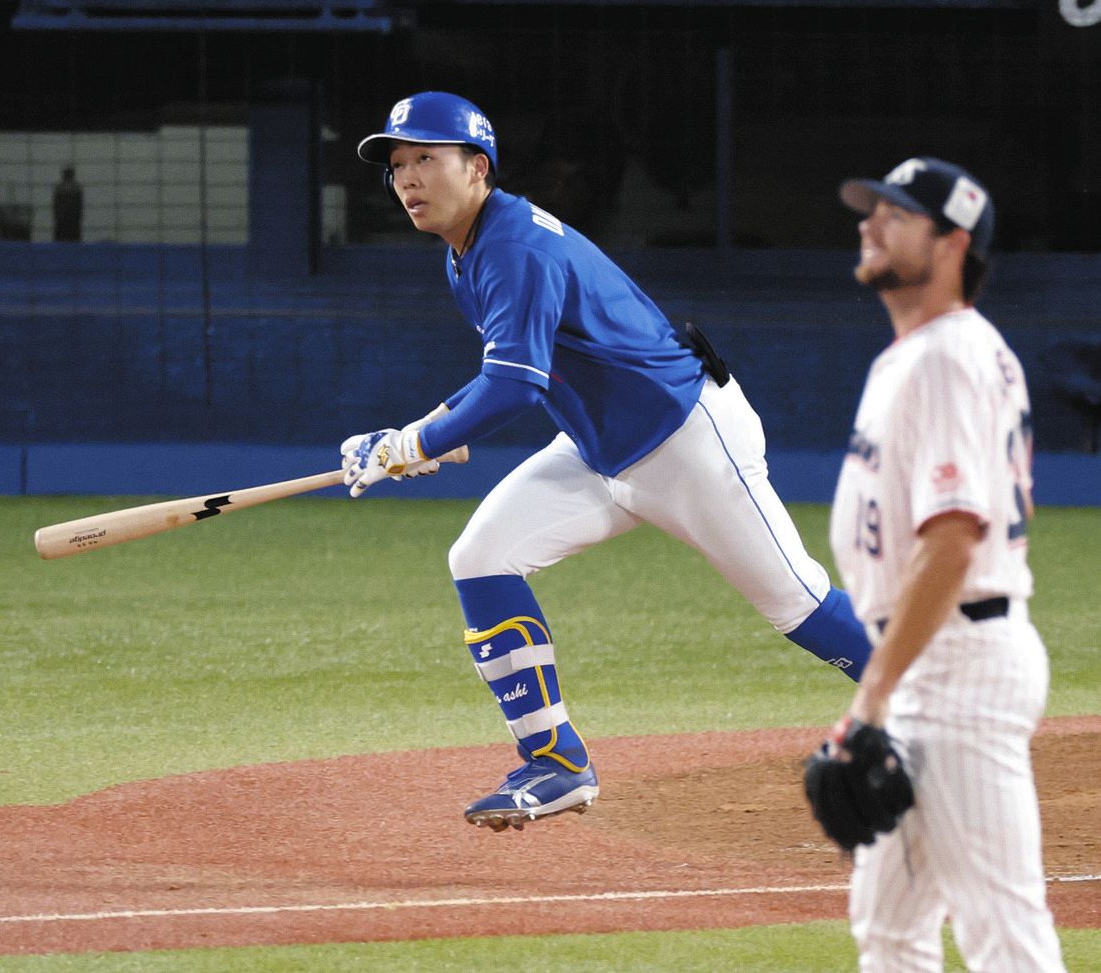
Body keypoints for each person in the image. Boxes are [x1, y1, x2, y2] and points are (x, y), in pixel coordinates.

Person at [341, 91, 872, 832]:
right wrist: (432, 428)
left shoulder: (512, 247)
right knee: (482, 556)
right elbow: (514, 369)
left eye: (426, 158)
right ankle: (556, 764)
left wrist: (413, 444)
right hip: (598, 450)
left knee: (798, 604)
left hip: (684, 441)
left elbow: (513, 387)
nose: (407, 179)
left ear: (479, 167)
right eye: (397, 165)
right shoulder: (470, 252)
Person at [829, 157, 1065, 970]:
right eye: (872, 211)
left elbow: (954, 538)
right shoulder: (917, 355)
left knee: (1005, 933)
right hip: (931, 665)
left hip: (957, 668)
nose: (870, 223)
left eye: (896, 214)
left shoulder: (948, 359)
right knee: (891, 930)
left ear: (954, 241)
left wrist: (872, 697)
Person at [53, 165, 83, 241]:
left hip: (62, 220)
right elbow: (79, 206)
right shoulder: (77, 188)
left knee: (61, 239)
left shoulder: (59, 188)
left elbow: (56, 207)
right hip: (73, 220)